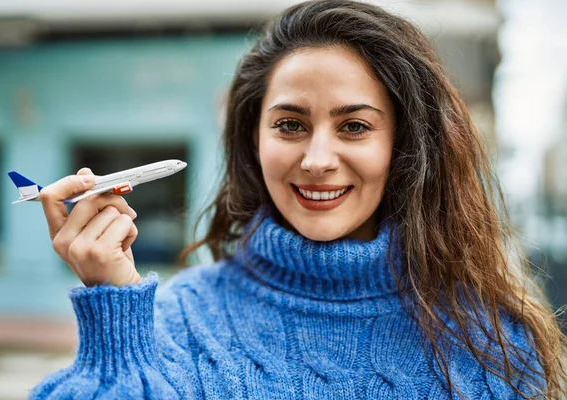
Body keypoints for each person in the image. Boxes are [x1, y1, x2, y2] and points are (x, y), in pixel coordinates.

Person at [30, 1, 566, 398]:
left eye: (354, 126)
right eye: (290, 124)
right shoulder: (174, 320)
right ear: (253, 140)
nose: (316, 159)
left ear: (404, 145)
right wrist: (116, 322)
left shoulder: (490, 342)